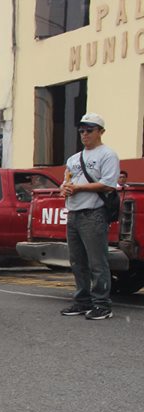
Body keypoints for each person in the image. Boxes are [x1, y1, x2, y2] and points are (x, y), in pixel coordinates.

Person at [59, 112, 120, 321]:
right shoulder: (74, 158)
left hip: (94, 213)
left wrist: (78, 188)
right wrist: (65, 188)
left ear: (100, 132)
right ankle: (82, 300)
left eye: (89, 130)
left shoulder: (107, 155)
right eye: (82, 131)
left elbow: (108, 184)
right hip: (74, 213)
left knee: (97, 261)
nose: (84, 134)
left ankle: (102, 304)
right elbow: (66, 180)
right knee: (77, 261)